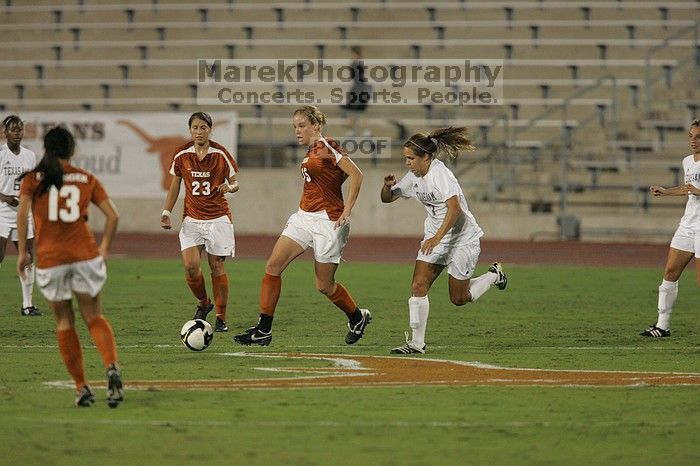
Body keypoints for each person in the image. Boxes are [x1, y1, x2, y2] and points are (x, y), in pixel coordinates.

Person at [234, 105, 370, 346]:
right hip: (304, 217)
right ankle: (264, 330)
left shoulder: (327, 145)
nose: (297, 130)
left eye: (302, 125)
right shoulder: (311, 151)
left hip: (329, 221)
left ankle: (357, 317)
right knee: (273, 265)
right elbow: (333, 177)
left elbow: (356, 175)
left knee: (324, 285)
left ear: (316, 125)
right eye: (294, 126)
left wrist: (347, 210)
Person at [15, 126, 123, 407]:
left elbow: (23, 216)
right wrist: (105, 249)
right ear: (72, 150)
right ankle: (111, 366)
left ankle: (82, 387)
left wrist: (24, 254)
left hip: (51, 260)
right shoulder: (86, 178)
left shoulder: (32, 181)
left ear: (46, 149)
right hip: (85, 256)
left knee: (64, 321)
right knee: (94, 317)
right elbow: (113, 216)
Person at [381, 127, 507, 354]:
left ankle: (493, 275)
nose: (407, 163)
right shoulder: (414, 177)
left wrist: (437, 237)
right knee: (418, 286)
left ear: (426, 157)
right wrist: (387, 186)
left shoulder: (441, 175)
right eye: (405, 158)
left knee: (459, 298)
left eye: (411, 158)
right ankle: (416, 344)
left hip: (462, 239)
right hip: (435, 238)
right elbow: (387, 199)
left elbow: (455, 208)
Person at [161, 112, 239, 333]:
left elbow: (235, 184)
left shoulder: (220, 154)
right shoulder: (182, 154)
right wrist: (167, 211)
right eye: (195, 127)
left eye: (203, 127)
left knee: (216, 266)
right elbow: (175, 185)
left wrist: (229, 188)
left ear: (210, 129)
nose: (199, 131)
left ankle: (221, 317)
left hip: (218, 219)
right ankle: (204, 303)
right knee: (191, 266)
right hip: (192, 219)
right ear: (190, 130)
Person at [641, 119, 700, 337]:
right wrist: (665, 191)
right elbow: (688, 189)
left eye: (698, 137)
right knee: (670, 273)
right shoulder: (687, 161)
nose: (693, 141)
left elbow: (695, 190)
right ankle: (662, 325)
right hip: (687, 225)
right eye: (691, 136)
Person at [0, 115, 41, 316]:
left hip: (24, 213)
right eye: (13, 129)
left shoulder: (30, 156)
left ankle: (27, 305)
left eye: (19, 129)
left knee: (28, 258)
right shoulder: (0, 154)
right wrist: (5, 197)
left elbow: (33, 183)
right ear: (5, 132)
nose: (17, 133)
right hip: (2, 211)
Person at [343, 46, 371, 137]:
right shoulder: (355, 64)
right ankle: (351, 131)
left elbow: (361, 78)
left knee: (361, 112)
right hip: (357, 89)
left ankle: (365, 131)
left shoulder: (358, 64)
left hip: (360, 89)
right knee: (352, 112)